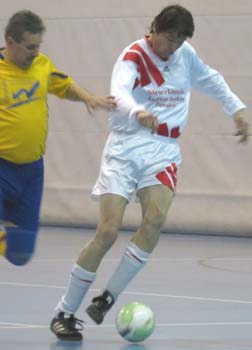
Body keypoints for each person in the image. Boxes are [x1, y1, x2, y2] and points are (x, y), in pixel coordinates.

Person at [50, 4, 249, 341]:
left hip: (163, 151)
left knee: (154, 219)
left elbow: (211, 80)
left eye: (180, 41)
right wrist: (138, 111)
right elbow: (120, 92)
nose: (173, 48)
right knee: (108, 231)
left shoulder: (185, 55)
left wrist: (238, 109)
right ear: (154, 28)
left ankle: (106, 297)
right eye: (169, 39)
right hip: (126, 147)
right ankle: (65, 311)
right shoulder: (133, 56)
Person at [0, 10, 116, 345]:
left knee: (20, 256)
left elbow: (63, 84)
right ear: (10, 42)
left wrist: (89, 97)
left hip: (31, 172)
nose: (35, 52)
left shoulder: (41, 65)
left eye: (38, 46)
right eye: (30, 46)